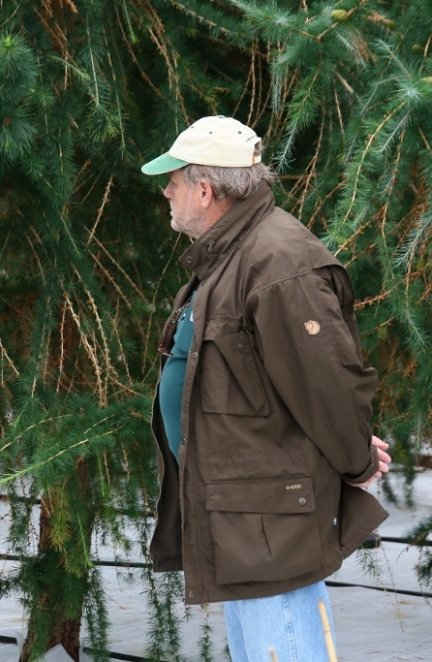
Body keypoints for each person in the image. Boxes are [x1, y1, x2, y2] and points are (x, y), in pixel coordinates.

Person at [140, 115, 393, 661]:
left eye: (174, 181)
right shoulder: (232, 254)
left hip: (269, 520)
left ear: (205, 190)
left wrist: (356, 460)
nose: (166, 192)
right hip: (242, 512)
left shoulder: (277, 263)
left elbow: (326, 385)